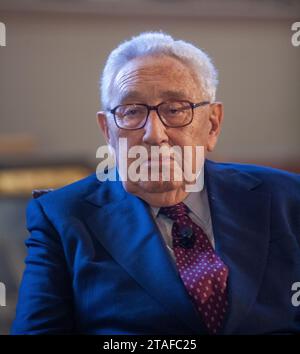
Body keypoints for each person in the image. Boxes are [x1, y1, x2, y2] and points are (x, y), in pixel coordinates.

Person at [12, 32, 300, 334]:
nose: (154, 134)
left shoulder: (286, 198)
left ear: (212, 124)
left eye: (175, 110)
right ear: (107, 132)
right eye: (132, 111)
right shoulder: (62, 217)